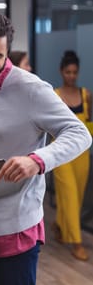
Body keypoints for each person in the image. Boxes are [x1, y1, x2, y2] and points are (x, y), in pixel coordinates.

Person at [0, 10, 92, 285]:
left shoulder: (32, 89)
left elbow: (79, 133)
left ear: (7, 52)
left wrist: (37, 160)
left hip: (14, 230)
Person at [53, 50, 92, 261]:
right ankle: (77, 243)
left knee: (76, 197)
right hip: (61, 153)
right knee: (68, 193)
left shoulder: (86, 95)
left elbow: (90, 124)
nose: (71, 76)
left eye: (74, 72)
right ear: (62, 72)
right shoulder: (55, 95)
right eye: (68, 72)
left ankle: (60, 225)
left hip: (82, 153)